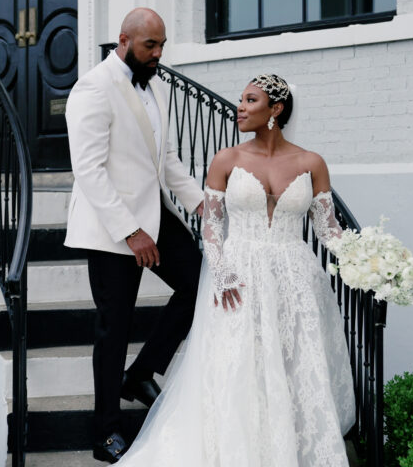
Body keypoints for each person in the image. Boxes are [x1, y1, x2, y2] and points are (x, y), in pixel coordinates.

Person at [116, 74, 356, 466]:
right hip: (238, 277)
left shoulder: (312, 163)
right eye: (240, 100)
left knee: (292, 365)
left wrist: (370, 263)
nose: (239, 107)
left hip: (294, 278)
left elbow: (328, 230)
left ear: (275, 110)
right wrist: (223, 270)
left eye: (250, 100)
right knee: (239, 366)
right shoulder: (227, 159)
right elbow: (211, 225)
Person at [64, 7, 205, 463]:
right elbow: (87, 169)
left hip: (157, 217)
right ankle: (105, 433)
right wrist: (131, 232)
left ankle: (142, 372)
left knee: (200, 284)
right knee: (114, 329)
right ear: (123, 39)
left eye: (162, 45)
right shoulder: (93, 88)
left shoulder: (156, 86)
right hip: (112, 230)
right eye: (150, 45)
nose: (158, 54)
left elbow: (166, 159)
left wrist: (203, 204)